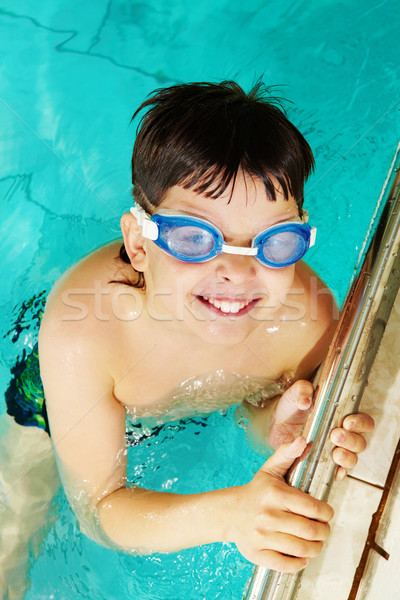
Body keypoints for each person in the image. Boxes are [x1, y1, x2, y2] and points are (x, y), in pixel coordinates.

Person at [37, 80, 374, 573]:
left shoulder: (308, 320)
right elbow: (98, 509)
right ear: (138, 245)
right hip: (53, 403)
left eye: (273, 241)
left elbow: (254, 406)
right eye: (195, 238)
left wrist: (282, 424)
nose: (237, 274)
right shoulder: (85, 335)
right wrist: (229, 515)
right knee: (18, 509)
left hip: (183, 406)